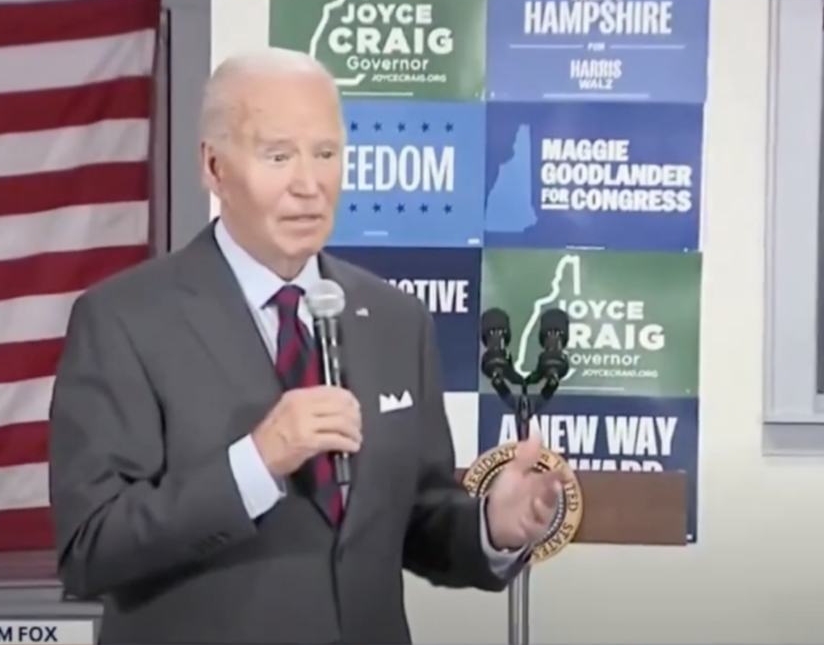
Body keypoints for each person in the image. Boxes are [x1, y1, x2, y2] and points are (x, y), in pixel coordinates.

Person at [47, 48, 573, 645]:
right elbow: (91, 549)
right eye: (279, 156)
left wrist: (491, 525)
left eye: (326, 154)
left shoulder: (397, 320)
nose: (308, 184)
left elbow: (418, 519)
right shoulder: (123, 320)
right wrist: (258, 460)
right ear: (214, 168)